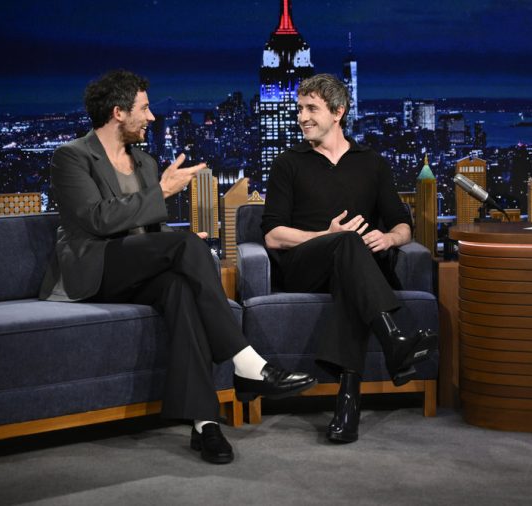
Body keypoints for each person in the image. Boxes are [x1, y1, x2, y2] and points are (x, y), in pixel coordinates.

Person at [39, 69, 316, 465]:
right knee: (185, 248)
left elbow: (148, 228)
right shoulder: (72, 156)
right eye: (144, 108)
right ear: (118, 112)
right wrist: (164, 193)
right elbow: (97, 219)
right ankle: (246, 362)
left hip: (139, 268)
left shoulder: (145, 162)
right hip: (95, 267)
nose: (151, 117)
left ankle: (205, 423)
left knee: (181, 290)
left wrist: (175, 239)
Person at [261, 73, 437, 444]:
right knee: (346, 243)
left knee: (351, 270)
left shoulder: (371, 162)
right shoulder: (288, 163)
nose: (302, 117)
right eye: (299, 109)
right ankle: (394, 339)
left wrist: (388, 238)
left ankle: (348, 400)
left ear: (338, 111)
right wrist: (326, 236)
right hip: (306, 267)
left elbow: (403, 225)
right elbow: (273, 235)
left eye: (311, 109)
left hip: (358, 269)